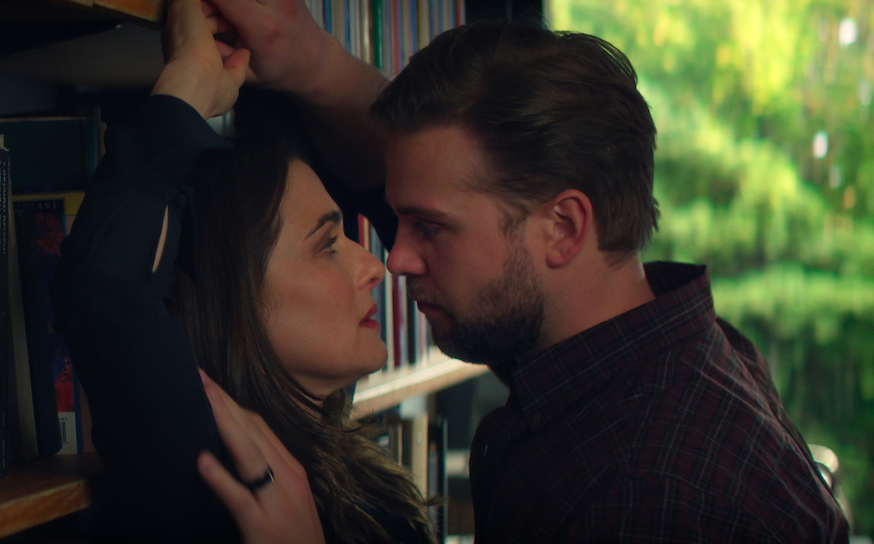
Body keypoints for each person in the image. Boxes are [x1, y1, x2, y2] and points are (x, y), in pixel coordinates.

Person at [202, 3, 852, 542]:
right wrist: (308, 57)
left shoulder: (640, 494)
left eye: (429, 227)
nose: (394, 259)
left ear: (564, 229)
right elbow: (445, 178)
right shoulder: (655, 350)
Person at [50, 1, 434, 542]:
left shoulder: (360, 480)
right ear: (234, 293)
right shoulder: (216, 477)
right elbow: (107, 289)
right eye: (327, 245)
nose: (377, 265)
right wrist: (189, 81)